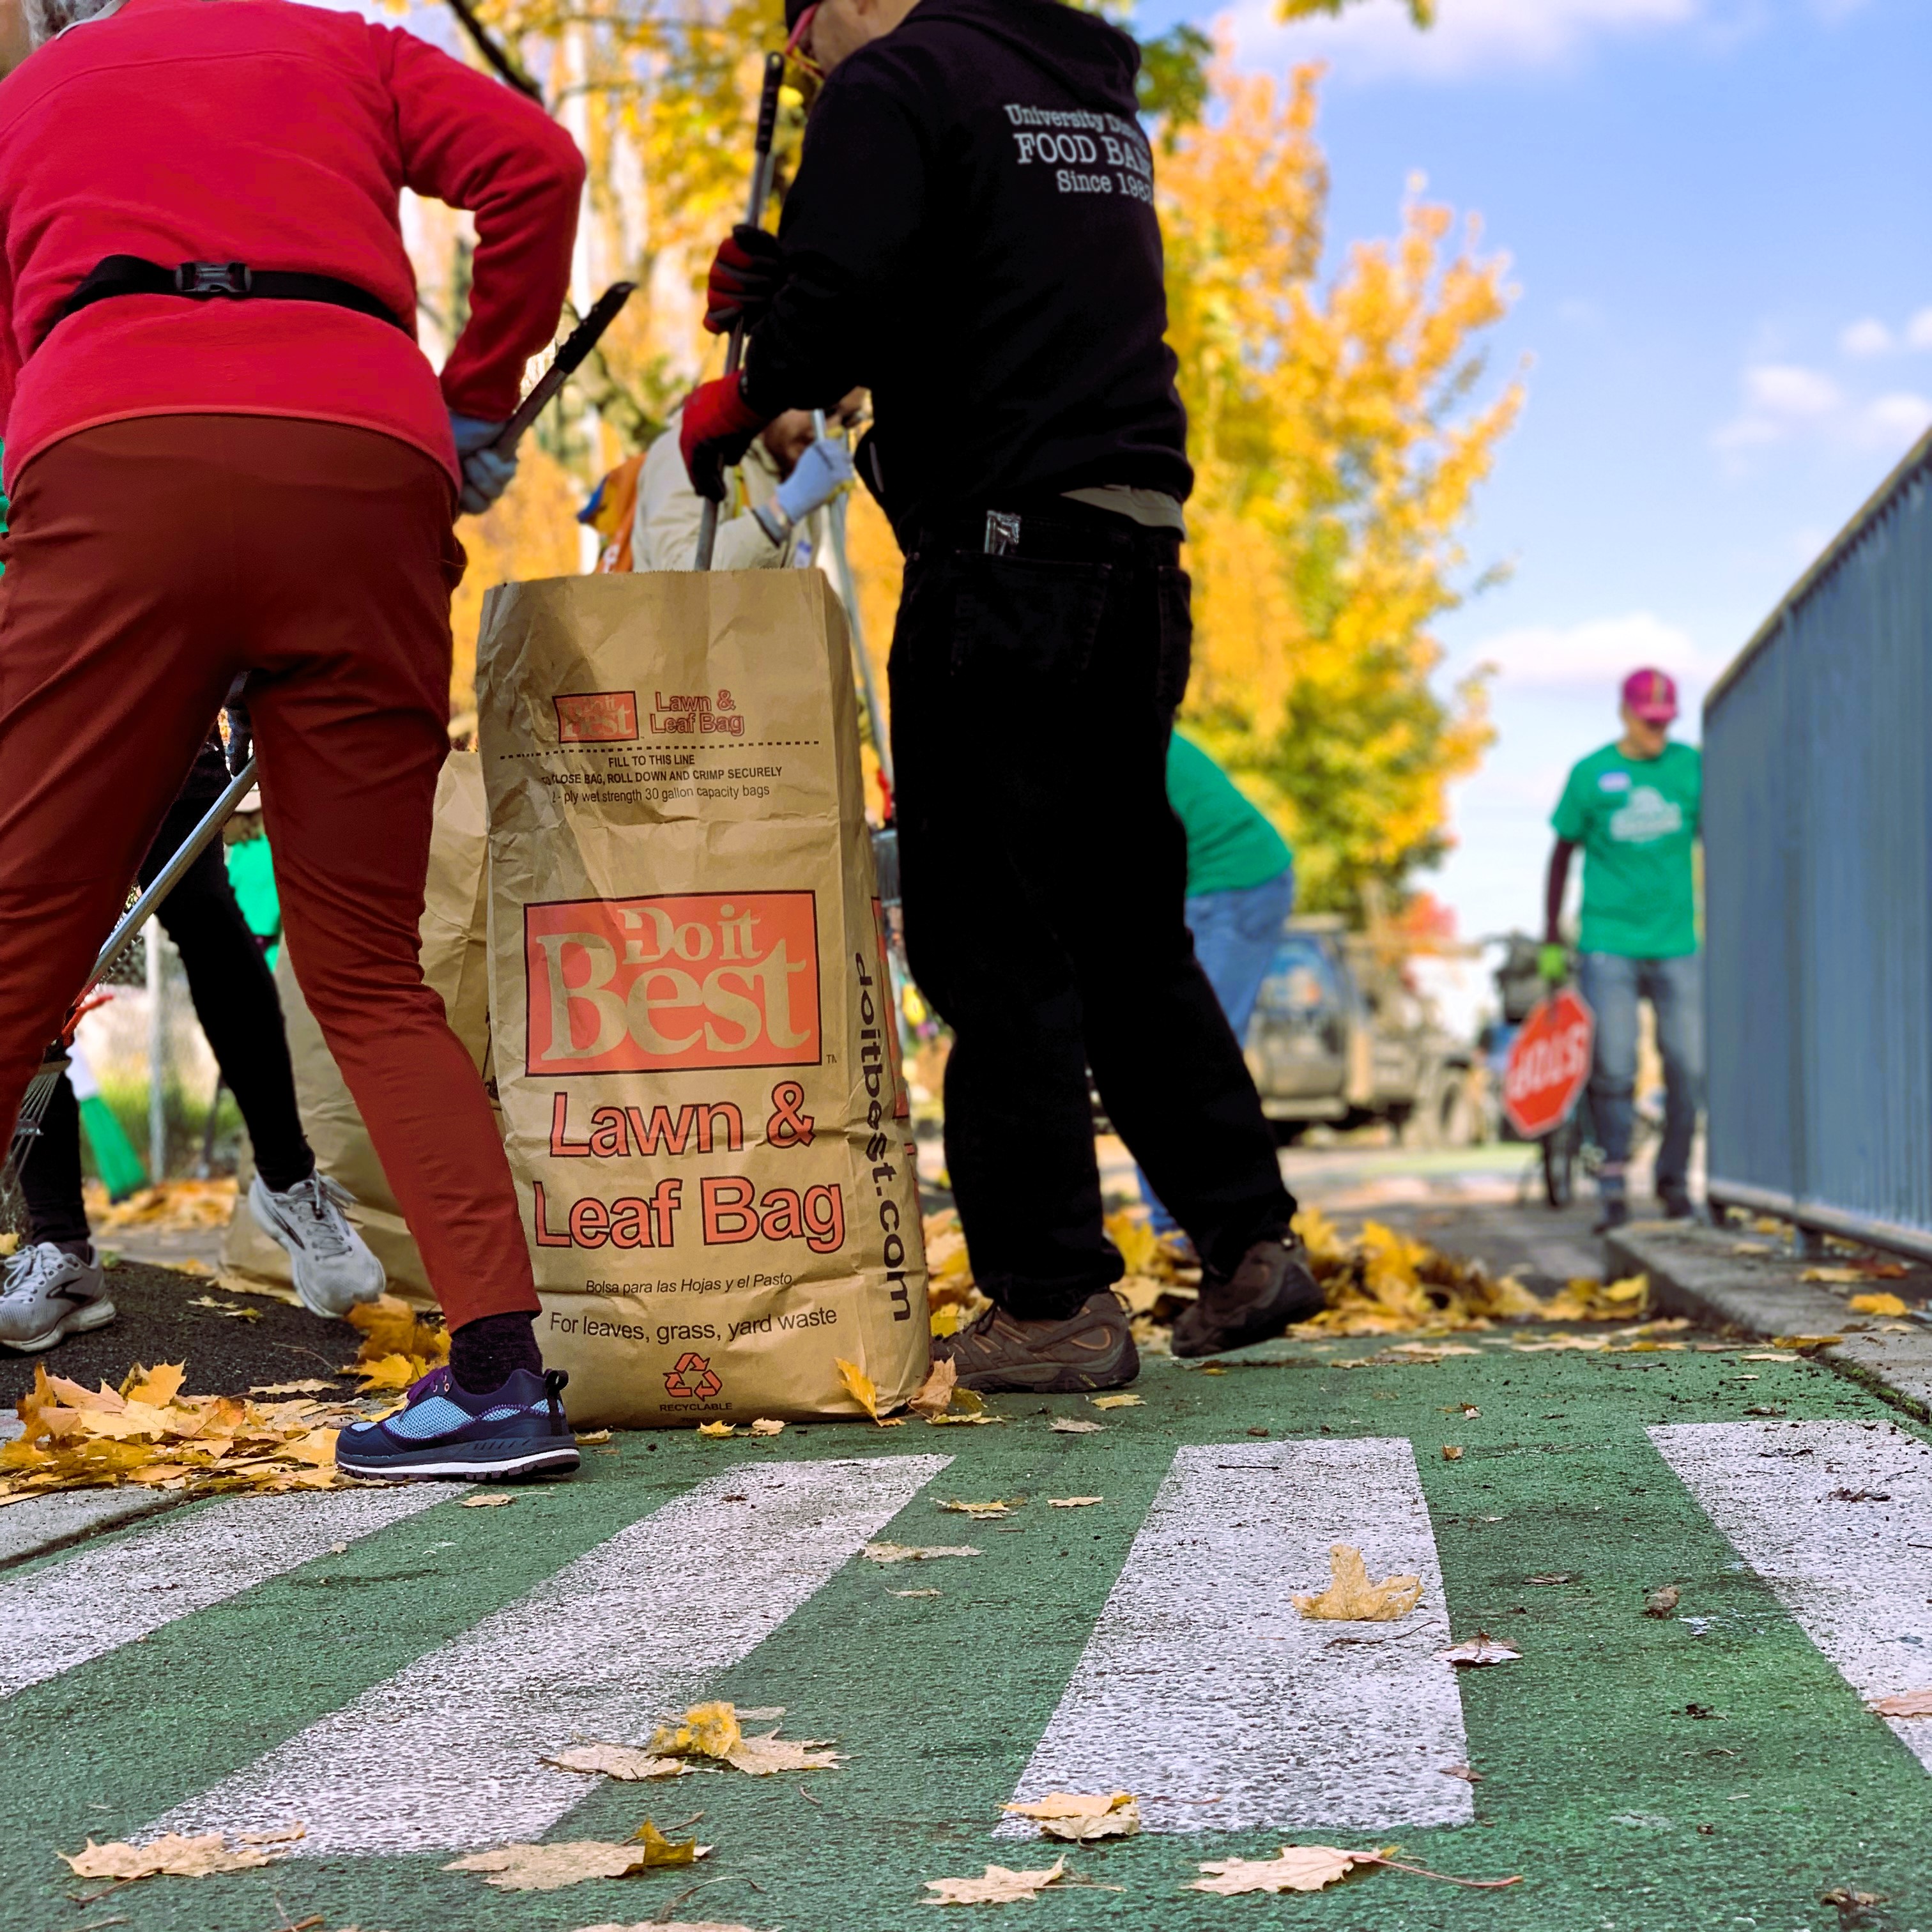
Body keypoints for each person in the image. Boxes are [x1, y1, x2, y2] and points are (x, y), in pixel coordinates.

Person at [683, 0, 1319, 1387]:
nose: (803, 65)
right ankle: (1247, 1238)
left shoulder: (894, 80)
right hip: (1135, 551)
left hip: (1004, 565)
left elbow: (834, 316)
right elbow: (973, 282)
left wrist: (762, 356)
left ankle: (1050, 1301)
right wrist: (807, 306)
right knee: (1126, 925)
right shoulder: (1072, 82)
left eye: (801, 35)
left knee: (989, 933)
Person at [0, 0, 584, 1477]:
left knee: (20, 931)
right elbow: (540, 167)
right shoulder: (358, 50)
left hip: (113, 440)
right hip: (361, 456)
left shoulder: (49, 79)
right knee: (369, 972)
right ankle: (501, 1380)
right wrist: (479, 396)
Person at [0, 733, 386, 1353]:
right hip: (41, 714)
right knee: (21, 955)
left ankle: (288, 1182)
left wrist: (242, 694)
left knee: (204, 911)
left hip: (161, 697)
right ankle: (62, 1250)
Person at [1543, 668, 1703, 1230]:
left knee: (1689, 1065)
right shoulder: (1591, 774)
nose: (1657, 733)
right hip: (1607, 941)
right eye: (1648, 722)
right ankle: (1612, 1187)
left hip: (1678, 941)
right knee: (1613, 1065)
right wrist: (1550, 940)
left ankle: (1674, 1182)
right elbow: (1561, 854)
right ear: (1624, 714)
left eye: (1665, 723)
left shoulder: (1691, 767)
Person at [1137, 734, 1294, 1248]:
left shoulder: (1077, 725)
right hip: (1216, 878)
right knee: (1167, 1051)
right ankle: (1182, 1228)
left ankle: (1193, 1234)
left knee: (1187, 1054)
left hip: (1232, 881)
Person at [632, 397, 861, 572]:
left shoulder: (797, 474)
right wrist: (780, 513)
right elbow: (678, 581)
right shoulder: (692, 451)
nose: (832, 431)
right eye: (825, 410)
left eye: (848, 420)